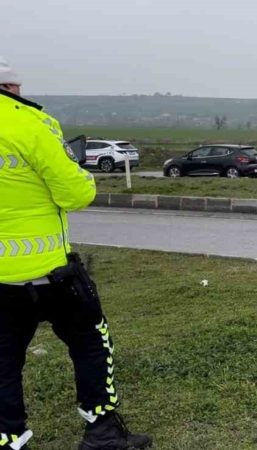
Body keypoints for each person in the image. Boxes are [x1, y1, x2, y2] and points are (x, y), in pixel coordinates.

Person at [0, 57, 151, 450]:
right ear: (11, 87)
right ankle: (101, 431)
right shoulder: (29, 123)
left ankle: (9, 440)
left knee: (2, 365)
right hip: (51, 272)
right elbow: (77, 193)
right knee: (90, 342)